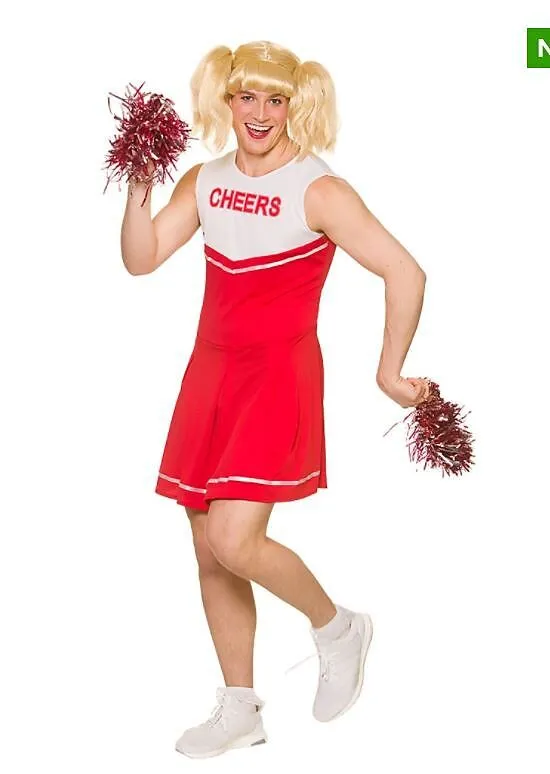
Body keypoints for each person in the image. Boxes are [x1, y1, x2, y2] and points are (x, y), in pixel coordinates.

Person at [121, 40, 429, 759]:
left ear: (296, 104)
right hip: (209, 373)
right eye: (246, 97)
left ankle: (338, 627)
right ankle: (240, 708)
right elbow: (141, 258)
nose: (259, 113)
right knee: (209, 547)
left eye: (276, 99)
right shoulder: (205, 179)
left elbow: (405, 272)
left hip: (277, 375)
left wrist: (390, 372)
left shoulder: (319, 190)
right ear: (226, 101)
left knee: (236, 539)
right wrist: (138, 184)